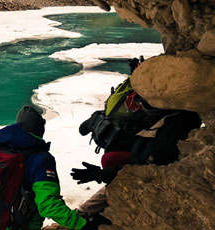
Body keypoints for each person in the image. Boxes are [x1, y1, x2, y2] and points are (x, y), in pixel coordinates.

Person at [72, 58, 202, 214]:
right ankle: (86, 211)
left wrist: (104, 174)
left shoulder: (171, 128)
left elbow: (144, 167)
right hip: (135, 149)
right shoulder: (171, 117)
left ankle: (86, 212)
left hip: (139, 157)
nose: (139, 105)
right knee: (111, 161)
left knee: (111, 162)